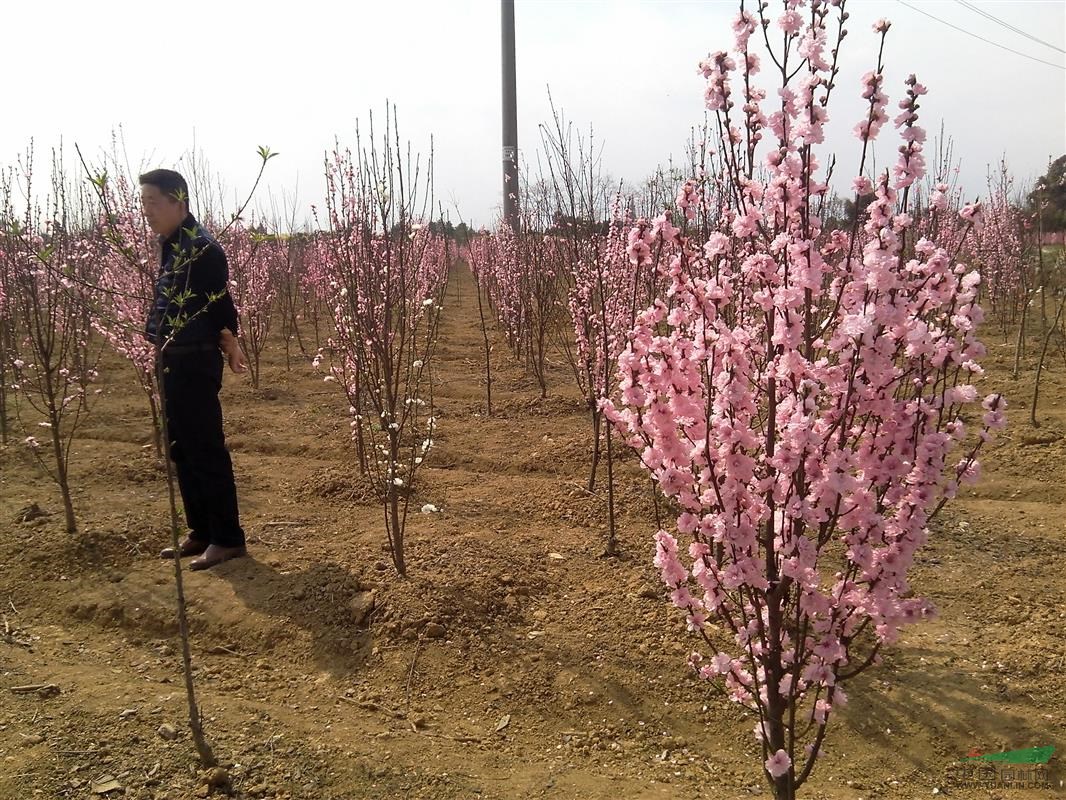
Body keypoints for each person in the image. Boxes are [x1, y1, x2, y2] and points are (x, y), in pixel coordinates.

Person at [140, 168, 249, 570]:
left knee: (205, 448)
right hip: (172, 355)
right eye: (143, 202)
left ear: (178, 202)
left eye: (153, 202)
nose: (146, 211)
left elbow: (220, 304)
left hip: (194, 358)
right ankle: (200, 530)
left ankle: (227, 537)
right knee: (181, 448)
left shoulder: (203, 249)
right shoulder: (172, 245)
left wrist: (232, 345)